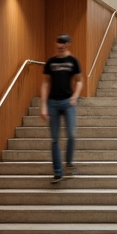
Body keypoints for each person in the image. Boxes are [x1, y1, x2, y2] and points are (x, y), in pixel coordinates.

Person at [41, 34, 82, 182]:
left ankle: (69, 161)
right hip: (52, 103)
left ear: (68, 44)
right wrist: (44, 105)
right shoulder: (51, 62)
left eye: (63, 45)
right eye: (58, 45)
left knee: (71, 134)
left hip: (68, 102)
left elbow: (79, 81)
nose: (60, 47)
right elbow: (45, 83)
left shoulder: (73, 61)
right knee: (55, 139)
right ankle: (58, 171)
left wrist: (75, 96)